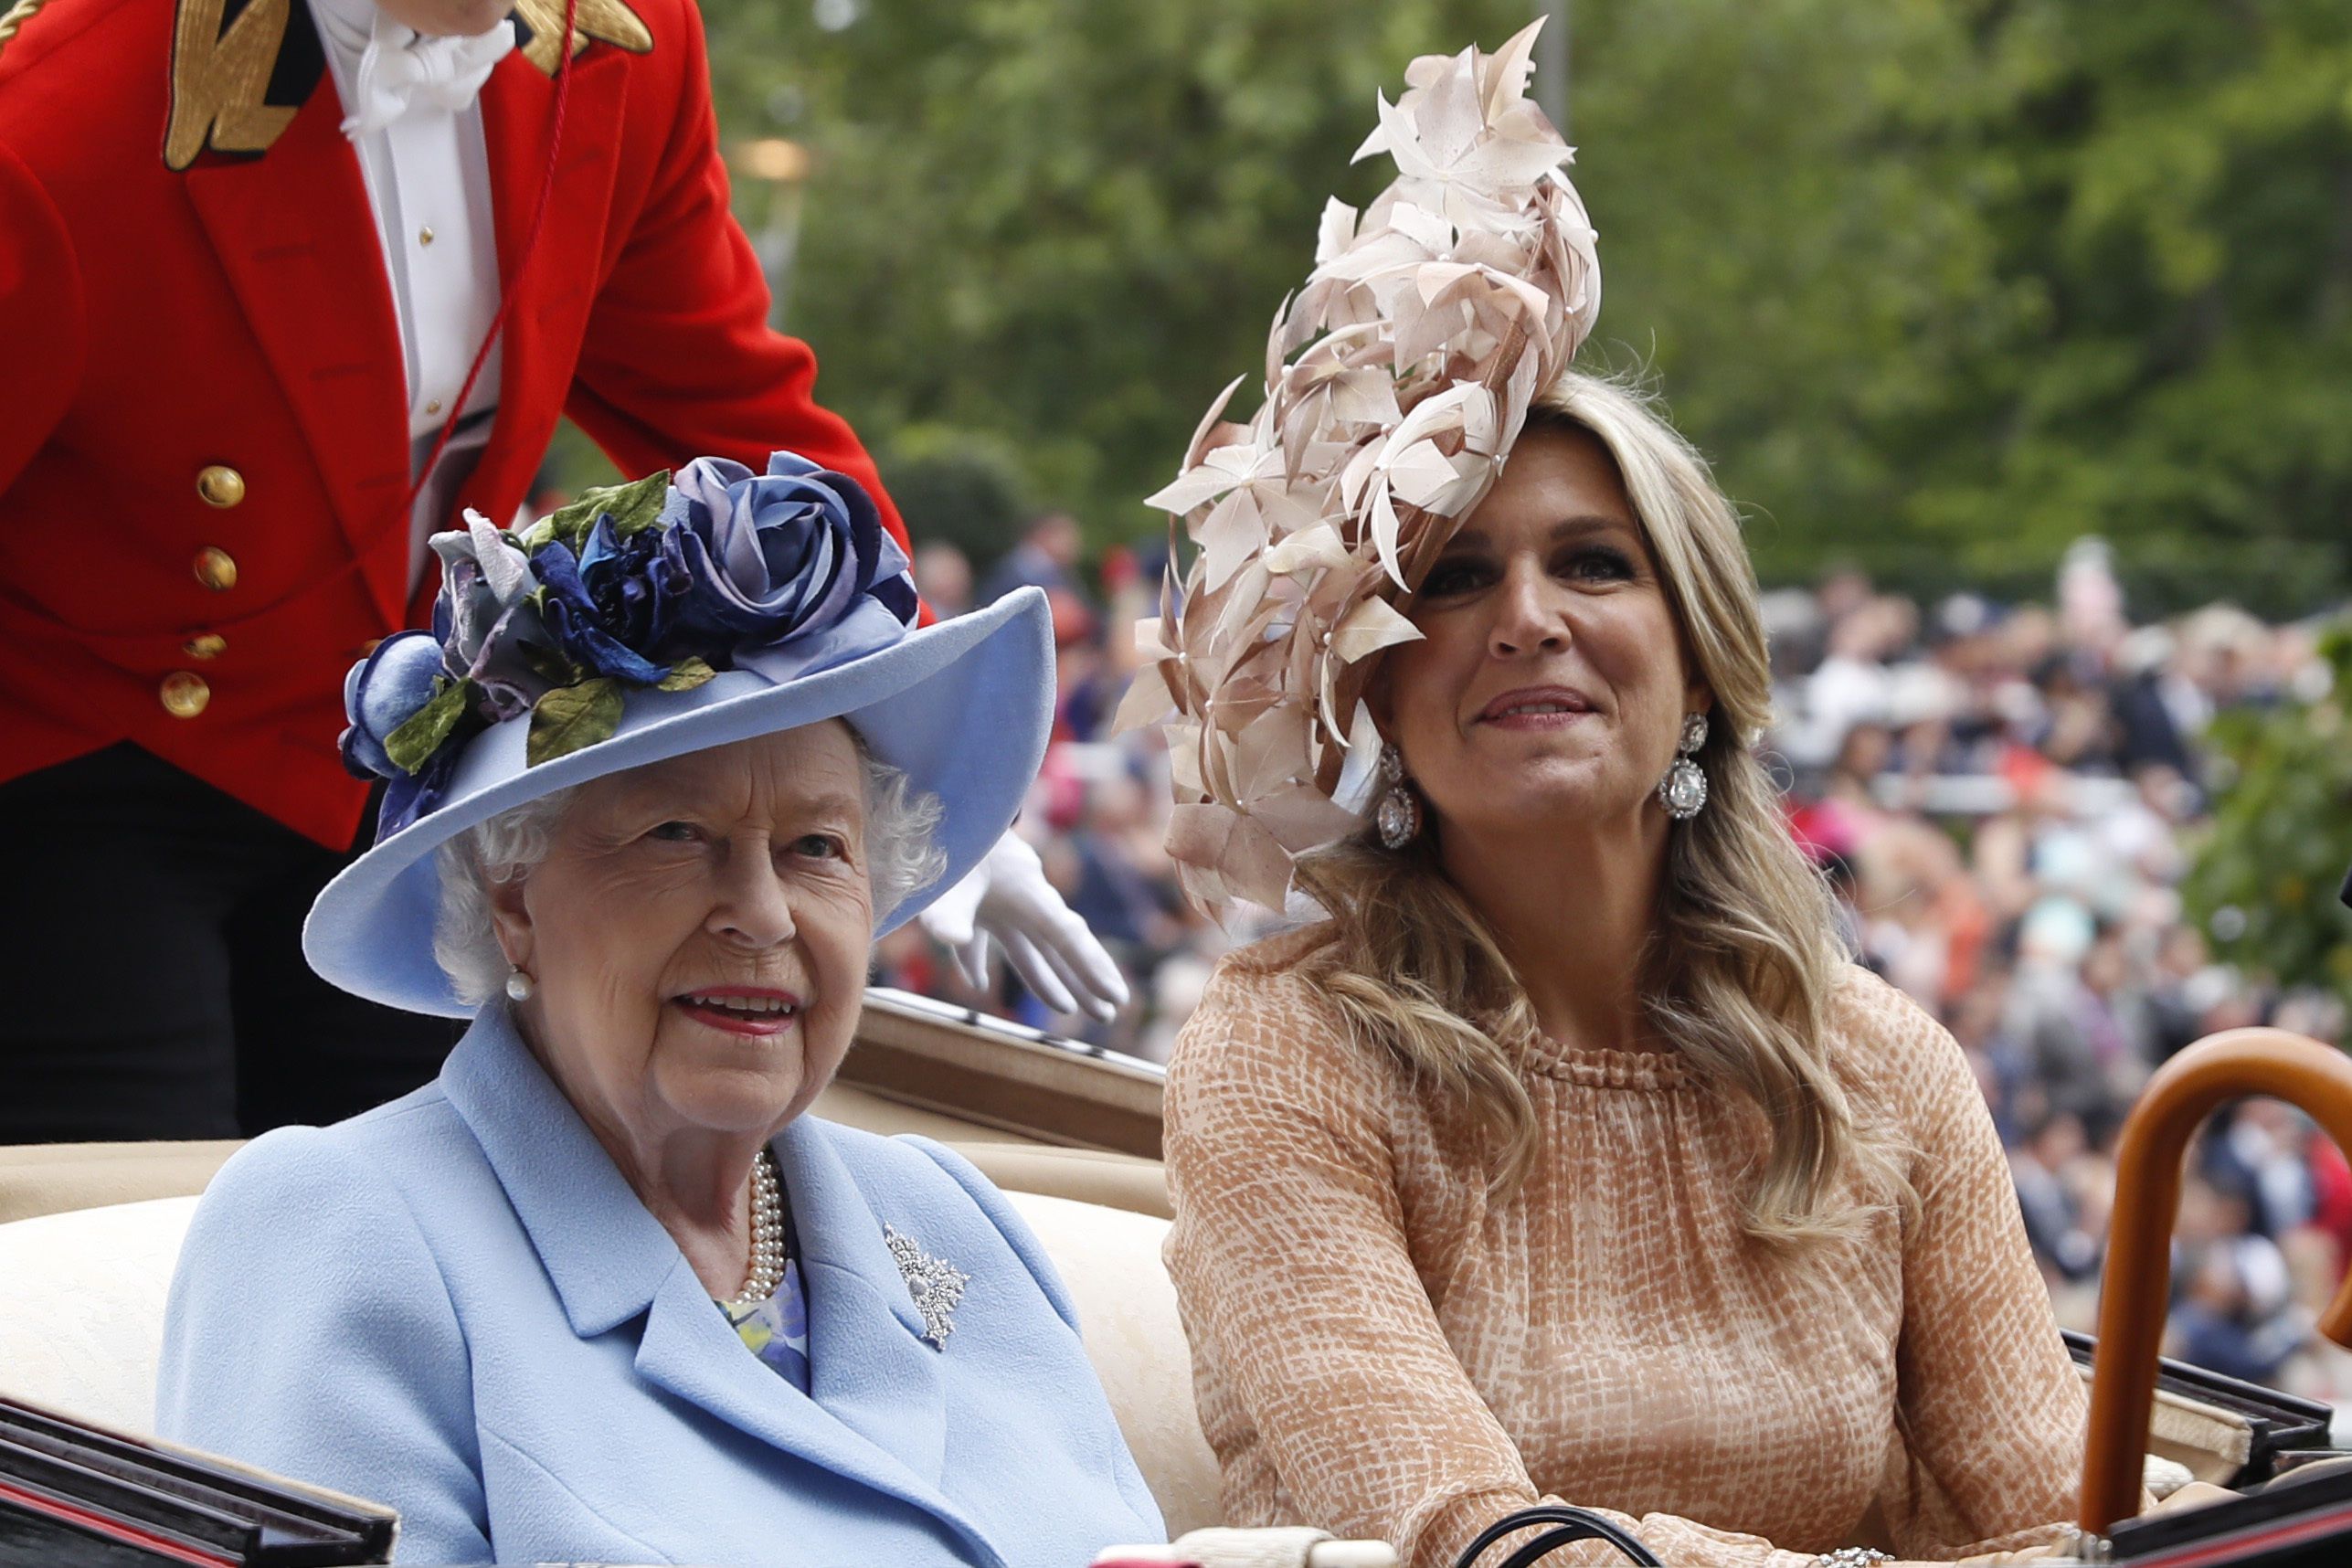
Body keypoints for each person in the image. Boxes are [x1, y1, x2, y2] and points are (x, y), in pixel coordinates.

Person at [1129, 28, 2122, 1568]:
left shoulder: (1880, 1071)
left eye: (1591, 563)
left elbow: (2067, 1508)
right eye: (1454, 580)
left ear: (1698, 665)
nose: (1525, 616)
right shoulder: (1283, 1056)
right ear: (1378, 691)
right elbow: (1467, 1538)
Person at [0, 0, 1119, 1144]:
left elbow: (727, 411)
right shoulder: (60, 108)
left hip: (395, 768)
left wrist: (930, 759)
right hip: (80, 774)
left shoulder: (625, 43)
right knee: (114, 1232)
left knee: (441, 1228)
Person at [155, 458, 1164, 1565]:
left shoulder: (948, 1215)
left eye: (817, 848)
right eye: (675, 836)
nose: (763, 914)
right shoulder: (344, 1229)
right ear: (515, 899)